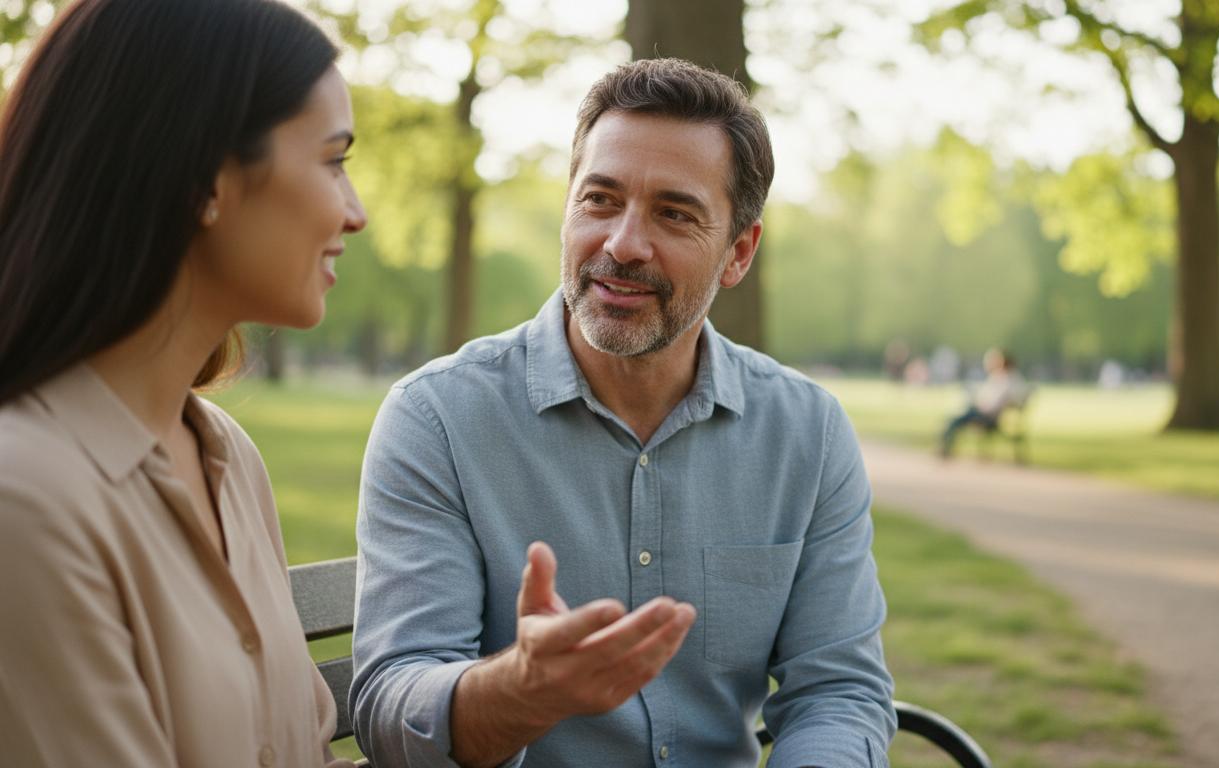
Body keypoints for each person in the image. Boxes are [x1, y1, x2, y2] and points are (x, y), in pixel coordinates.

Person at [352, 58, 896, 768]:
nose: (623, 244)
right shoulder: (439, 420)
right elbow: (392, 705)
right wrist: (522, 692)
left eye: (673, 213)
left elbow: (839, 692)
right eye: (600, 200)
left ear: (738, 252)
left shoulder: (807, 433)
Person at [0, 1, 367, 765]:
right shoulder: (25, 500)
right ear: (207, 180)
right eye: (333, 161)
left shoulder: (226, 454)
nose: (354, 212)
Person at [938, 348, 1029, 458]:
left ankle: (945, 448)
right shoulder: (1003, 378)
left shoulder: (1006, 380)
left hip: (988, 417)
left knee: (955, 420)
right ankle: (945, 447)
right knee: (958, 417)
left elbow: (995, 403)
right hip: (986, 413)